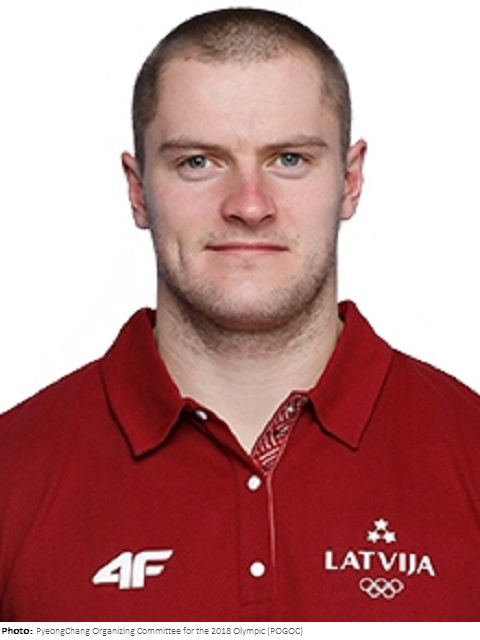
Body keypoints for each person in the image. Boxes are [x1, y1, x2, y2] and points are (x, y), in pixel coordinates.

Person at [0, 7, 479, 623]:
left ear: (351, 180)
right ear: (138, 189)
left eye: (290, 159)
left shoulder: (470, 451)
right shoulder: (12, 474)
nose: (249, 206)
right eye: (198, 161)